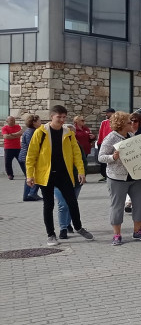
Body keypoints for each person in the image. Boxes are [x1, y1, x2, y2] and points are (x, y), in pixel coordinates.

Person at [26, 105, 94, 246]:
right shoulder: (40, 133)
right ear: (52, 116)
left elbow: (76, 154)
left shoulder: (68, 133)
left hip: (64, 174)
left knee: (72, 201)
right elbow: (31, 155)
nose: (62, 120)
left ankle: (79, 227)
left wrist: (81, 171)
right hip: (46, 175)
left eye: (64, 117)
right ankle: (51, 235)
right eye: (59, 117)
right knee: (48, 204)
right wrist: (29, 175)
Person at [97, 112, 141, 246]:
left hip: (135, 176)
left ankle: (137, 231)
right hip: (117, 178)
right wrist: (113, 158)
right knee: (117, 206)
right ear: (121, 125)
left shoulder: (131, 135)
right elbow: (101, 157)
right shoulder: (111, 138)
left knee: (139, 204)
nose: (132, 124)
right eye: (128, 122)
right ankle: (117, 234)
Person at [18, 114, 42, 201]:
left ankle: (29, 195)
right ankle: (31, 194)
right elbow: (32, 146)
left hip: (24, 157)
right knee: (32, 176)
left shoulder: (31, 131)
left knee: (29, 177)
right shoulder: (31, 132)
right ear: (34, 122)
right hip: (27, 158)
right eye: (39, 121)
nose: (41, 122)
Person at [95, 108, 115, 182]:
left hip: (113, 144)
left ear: (112, 113)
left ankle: (110, 175)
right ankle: (104, 175)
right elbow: (101, 132)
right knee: (103, 160)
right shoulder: (104, 122)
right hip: (104, 143)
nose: (106, 114)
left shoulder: (116, 122)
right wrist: (99, 142)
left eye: (107, 113)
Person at [3, 115, 25, 180]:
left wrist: (11, 135)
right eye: (11, 120)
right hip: (8, 148)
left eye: (14, 120)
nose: (13, 121)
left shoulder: (17, 126)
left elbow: (21, 133)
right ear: (7, 121)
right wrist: (16, 135)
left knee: (21, 161)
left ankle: (27, 174)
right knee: (8, 162)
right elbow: (6, 137)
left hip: (17, 147)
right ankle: (10, 175)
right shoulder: (5, 128)